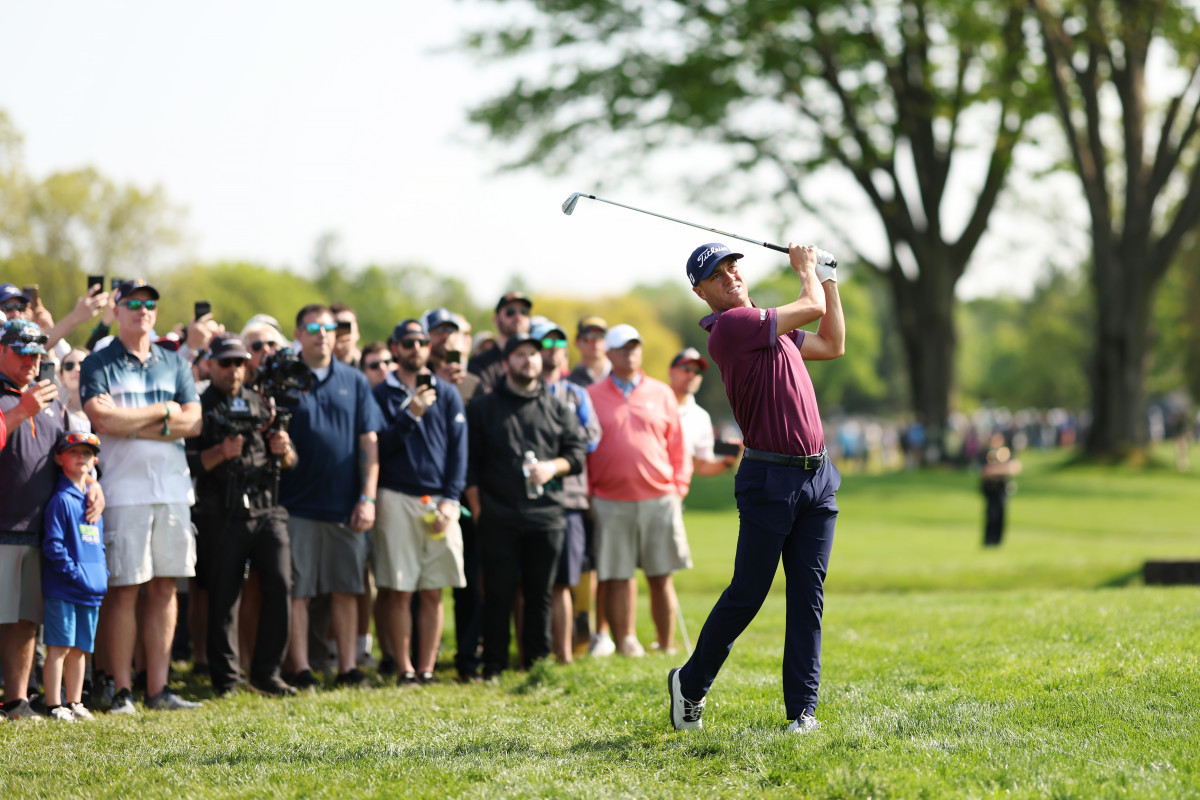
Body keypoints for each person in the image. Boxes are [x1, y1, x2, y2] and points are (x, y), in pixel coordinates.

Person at [667, 241, 844, 735]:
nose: (731, 277)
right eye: (716, 275)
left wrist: (830, 278)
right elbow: (809, 307)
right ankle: (691, 683)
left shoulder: (775, 331)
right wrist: (808, 270)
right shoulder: (732, 327)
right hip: (771, 478)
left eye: (733, 267)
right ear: (701, 291)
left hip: (817, 476)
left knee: (808, 595)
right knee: (749, 593)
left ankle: (802, 713)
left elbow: (832, 344)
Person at [81, 279, 203, 713]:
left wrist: (134, 420)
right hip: (124, 491)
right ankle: (121, 690)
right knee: (125, 589)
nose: (143, 309)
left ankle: (158, 689)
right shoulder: (99, 362)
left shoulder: (174, 362)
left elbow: (194, 422)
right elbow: (103, 420)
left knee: (165, 588)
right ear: (116, 310)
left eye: (150, 303)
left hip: (173, 490)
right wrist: (163, 411)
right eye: (133, 303)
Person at [465, 333, 587, 680]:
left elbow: (576, 456)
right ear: (506, 363)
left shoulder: (558, 408)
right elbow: (470, 466)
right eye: (520, 354)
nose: (528, 360)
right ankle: (493, 665)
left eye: (533, 354)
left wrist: (553, 467)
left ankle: (536, 664)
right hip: (497, 515)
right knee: (498, 594)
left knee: (540, 594)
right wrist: (478, 510)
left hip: (546, 516)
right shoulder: (483, 409)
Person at [186, 334, 298, 696]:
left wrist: (284, 450)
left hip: (267, 508)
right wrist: (220, 452)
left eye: (239, 363)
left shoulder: (261, 403)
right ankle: (227, 680)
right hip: (222, 512)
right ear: (210, 365)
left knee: (281, 585)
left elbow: (289, 461)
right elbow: (186, 464)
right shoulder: (197, 407)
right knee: (223, 597)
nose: (233, 370)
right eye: (225, 363)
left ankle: (267, 674)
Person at [0, 319, 101, 721]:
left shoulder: (51, 401)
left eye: (37, 353)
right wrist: (20, 412)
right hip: (1, 524)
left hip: (37, 529)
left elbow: (69, 457)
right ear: (2, 351)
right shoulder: (15, 399)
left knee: (25, 620)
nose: (31, 360)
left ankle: (17, 699)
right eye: (22, 351)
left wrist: (92, 484)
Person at [278, 304, 383, 689]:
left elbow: (370, 446)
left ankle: (347, 668)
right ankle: (301, 669)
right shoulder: (285, 380)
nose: (323, 333)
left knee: (347, 588)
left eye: (328, 327)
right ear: (299, 333)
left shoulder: (354, 381)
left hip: (345, 505)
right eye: (313, 327)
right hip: (296, 504)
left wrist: (367, 499)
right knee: (299, 592)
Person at [587, 324, 692, 656]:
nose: (631, 352)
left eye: (635, 346)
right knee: (617, 576)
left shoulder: (661, 393)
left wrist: (679, 487)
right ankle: (625, 642)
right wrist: (589, 493)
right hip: (609, 499)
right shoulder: (591, 395)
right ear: (610, 353)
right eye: (623, 348)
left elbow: (678, 447)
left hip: (659, 498)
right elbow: (583, 450)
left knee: (661, 575)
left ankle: (665, 644)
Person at [373, 319, 468, 684]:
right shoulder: (381, 395)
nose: (416, 348)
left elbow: (460, 453)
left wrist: (451, 500)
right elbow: (380, 447)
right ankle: (404, 669)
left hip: (440, 502)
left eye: (422, 342)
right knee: (398, 590)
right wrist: (410, 414)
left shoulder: (448, 392)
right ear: (395, 348)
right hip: (396, 496)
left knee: (433, 590)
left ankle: (427, 669)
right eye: (408, 342)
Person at [532, 320, 602, 664]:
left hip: (569, 498)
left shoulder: (576, 393)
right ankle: (530, 654)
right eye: (546, 343)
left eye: (559, 343)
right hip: (528, 499)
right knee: (526, 583)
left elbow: (591, 437)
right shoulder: (521, 390)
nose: (554, 349)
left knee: (563, 581)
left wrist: (553, 444)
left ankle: (563, 655)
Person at [41, 431, 108, 722]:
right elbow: (53, 546)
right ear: (59, 458)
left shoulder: (93, 503)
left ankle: (75, 701)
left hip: (90, 591)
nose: (81, 458)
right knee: (59, 647)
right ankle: (53, 704)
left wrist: (101, 574)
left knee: (81, 649)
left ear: (94, 460)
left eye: (87, 453)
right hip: (64, 589)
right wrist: (74, 574)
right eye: (73, 452)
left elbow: (99, 545)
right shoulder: (60, 500)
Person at [668, 347, 740, 476]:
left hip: (672, 493)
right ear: (671, 372)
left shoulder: (701, 417)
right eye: (686, 368)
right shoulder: (651, 403)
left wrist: (727, 462)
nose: (691, 375)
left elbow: (702, 467)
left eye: (697, 371)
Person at [467, 292, 532, 393]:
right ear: (496, 319)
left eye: (524, 312)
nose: (518, 317)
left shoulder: (534, 362)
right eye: (510, 312)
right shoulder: (479, 364)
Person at [980, 431, 1021, 547]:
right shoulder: (986, 453)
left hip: (1002, 487)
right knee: (991, 514)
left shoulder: (1006, 452)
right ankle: (989, 540)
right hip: (990, 487)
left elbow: (1015, 467)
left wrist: (999, 469)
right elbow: (986, 471)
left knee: (1001, 514)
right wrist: (1003, 469)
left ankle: (998, 541)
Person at [568, 315, 610, 387]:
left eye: (601, 336)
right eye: (589, 337)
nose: (596, 342)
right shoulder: (570, 383)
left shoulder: (620, 374)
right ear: (577, 342)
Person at [330, 303, 363, 367]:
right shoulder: (318, 364)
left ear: (357, 332)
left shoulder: (369, 365)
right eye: (338, 325)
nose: (342, 330)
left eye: (346, 325)